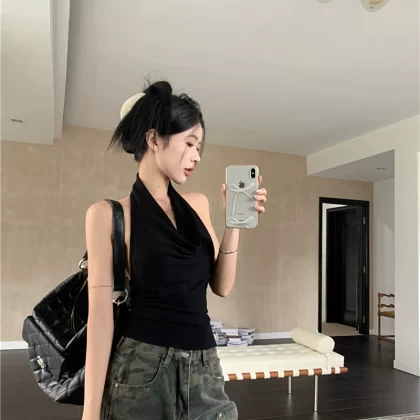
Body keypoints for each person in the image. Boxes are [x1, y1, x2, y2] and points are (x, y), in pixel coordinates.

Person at [82, 81, 268, 420]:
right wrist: (90, 413)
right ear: (154, 140)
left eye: (199, 146)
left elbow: (222, 286)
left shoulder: (198, 204)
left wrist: (234, 224)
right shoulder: (107, 215)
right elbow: (100, 318)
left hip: (205, 365)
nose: (197, 156)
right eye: (190, 143)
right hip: (141, 368)